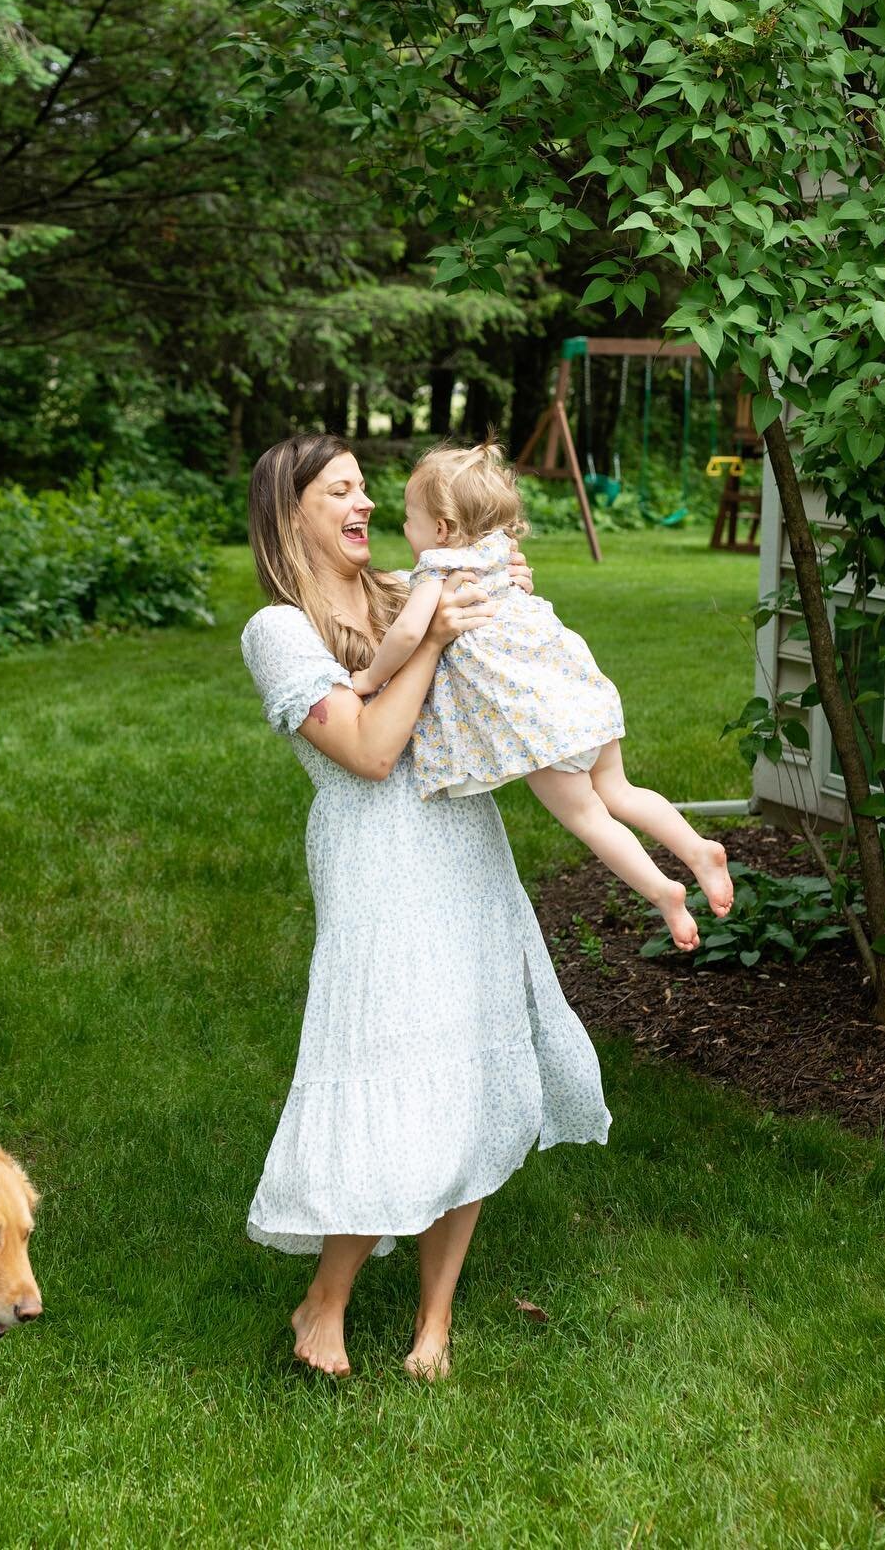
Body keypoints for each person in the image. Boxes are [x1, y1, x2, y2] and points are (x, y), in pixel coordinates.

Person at [239, 433, 611, 1382]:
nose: (363, 504)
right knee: (389, 1062)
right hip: (374, 857)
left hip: (464, 846)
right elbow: (367, 749)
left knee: (472, 1073)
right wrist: (435, 636)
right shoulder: (279, 630)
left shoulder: (409, 590)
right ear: (292, 515)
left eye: (368, 489)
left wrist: (496, 574)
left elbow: (499, 600)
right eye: (340, 492)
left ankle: (434, 1322)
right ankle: (324, 1299)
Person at [351, 442, 734, 950]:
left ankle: (664, 893)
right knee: (621, 791)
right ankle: (699, 850)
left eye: (408, 518)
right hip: (576, 693)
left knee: (587, 816)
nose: (403, 528)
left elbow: (404, 636)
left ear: (440, 528)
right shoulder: (501, 554)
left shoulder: (440, 570)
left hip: (538, 720)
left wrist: (368, 679)